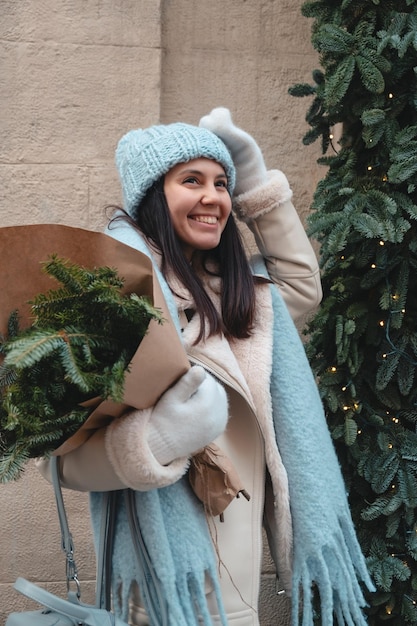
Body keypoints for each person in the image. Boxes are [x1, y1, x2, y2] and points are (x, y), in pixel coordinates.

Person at [37, 108, 374, 625]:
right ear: (152, 196)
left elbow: (303, 284)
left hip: (238, 587)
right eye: (190, 180)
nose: (213, 197)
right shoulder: (113, 302)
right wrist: (158, 441)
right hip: (160, 588)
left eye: (221, 183)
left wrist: (256, 182)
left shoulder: (241, 302)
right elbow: (60, 462)